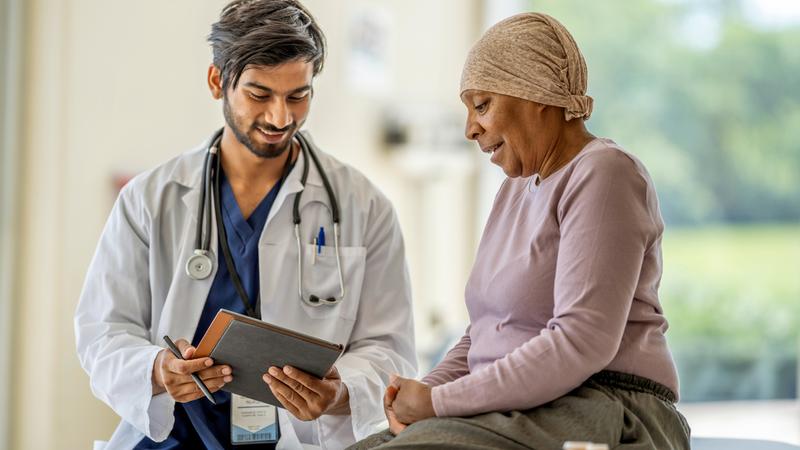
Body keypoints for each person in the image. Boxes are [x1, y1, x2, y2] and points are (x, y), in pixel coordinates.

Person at [74, 1, 416, 449]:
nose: (280, 117)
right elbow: (103, 332)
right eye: (259, 95)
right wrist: (156, 371)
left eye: (298, 95)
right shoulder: (149, 200)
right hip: (175, 437)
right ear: (218, 82)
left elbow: (391, 349)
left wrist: (338, 393)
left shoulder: (363, 206)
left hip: (297, 439)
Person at [349, 12, 691, 450]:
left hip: (609, 404)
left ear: (536, 94)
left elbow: (581, 340)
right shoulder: (515, 188)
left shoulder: (604, 172)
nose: (470, 128)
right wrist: (415, 397)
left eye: (482, 105)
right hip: (524, 408)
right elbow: (484, 332)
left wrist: (438, 402)